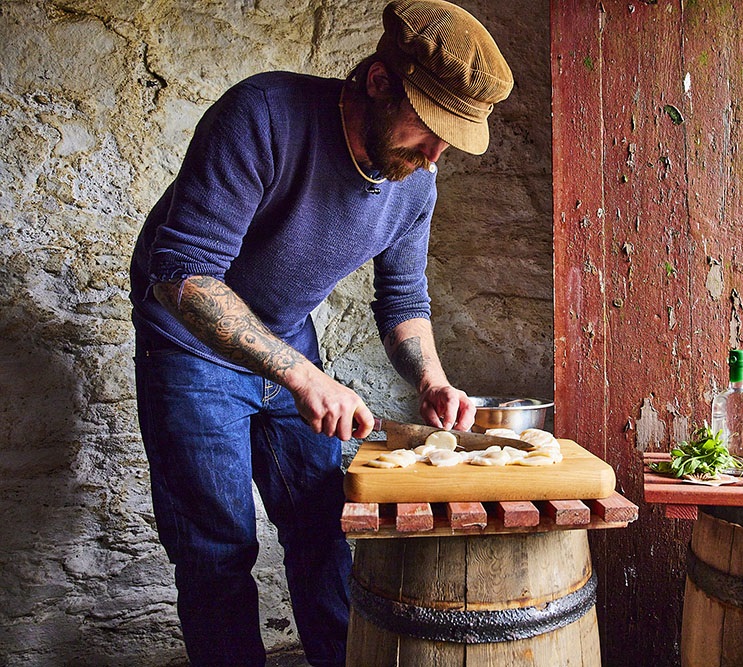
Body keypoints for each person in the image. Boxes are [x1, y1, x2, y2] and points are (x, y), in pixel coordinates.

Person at [128, 1, 513, 664]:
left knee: (323, 527)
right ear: (377, 82)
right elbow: (181, 275)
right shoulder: (262, 116)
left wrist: (432, 377)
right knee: (218, 549)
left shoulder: (415, 183)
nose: (436, 154)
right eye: (430, 128)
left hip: (283, 334)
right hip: (190, 346)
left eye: (452, 138)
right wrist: (305, 375)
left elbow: (402, 300)